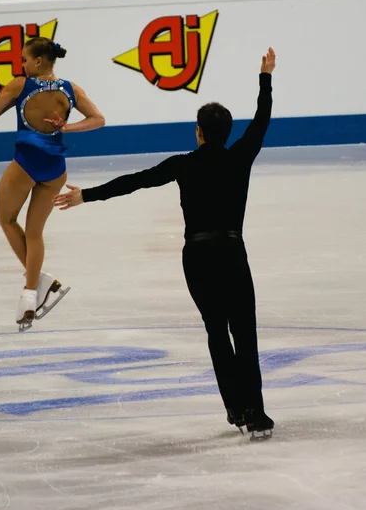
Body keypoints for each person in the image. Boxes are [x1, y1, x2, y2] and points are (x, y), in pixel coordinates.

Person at [52, 48, 276, 436]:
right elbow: (261, 121)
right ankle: (254, 412)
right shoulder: (240, 157)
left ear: (199, 132)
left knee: (216, 331)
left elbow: (133, 181)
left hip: (198, 257)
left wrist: (85, 194)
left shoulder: (183, 164)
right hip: (231, 251)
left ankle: (235, 409)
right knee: (245, 334)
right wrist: (265, 77)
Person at [0, 37, 105, 328]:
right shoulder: (71, 88)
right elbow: (98, 119)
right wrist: (68, 126)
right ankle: (30, 293)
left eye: (25, 59)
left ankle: (41, 284)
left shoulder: (19, 85)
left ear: (38, 61)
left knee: (6, 218)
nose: (22, 65)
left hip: (26, 164)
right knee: (35, 232)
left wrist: (9, 95)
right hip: (55, 169)